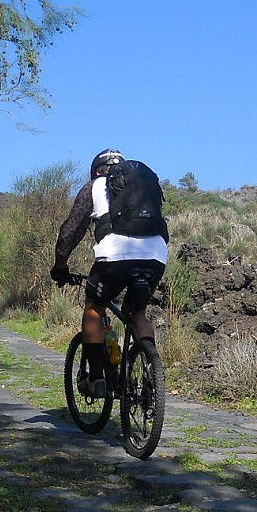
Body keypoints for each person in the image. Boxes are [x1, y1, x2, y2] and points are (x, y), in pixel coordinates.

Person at [50, 148, 168, 398]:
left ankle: (96, 379)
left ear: (96, 171)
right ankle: (150, 379)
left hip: (115, 256)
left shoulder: (94, 187)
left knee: (94, 309)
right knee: (137, 313)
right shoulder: (141, 189)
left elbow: (71, 231)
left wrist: (60, 267)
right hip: (156, 253)